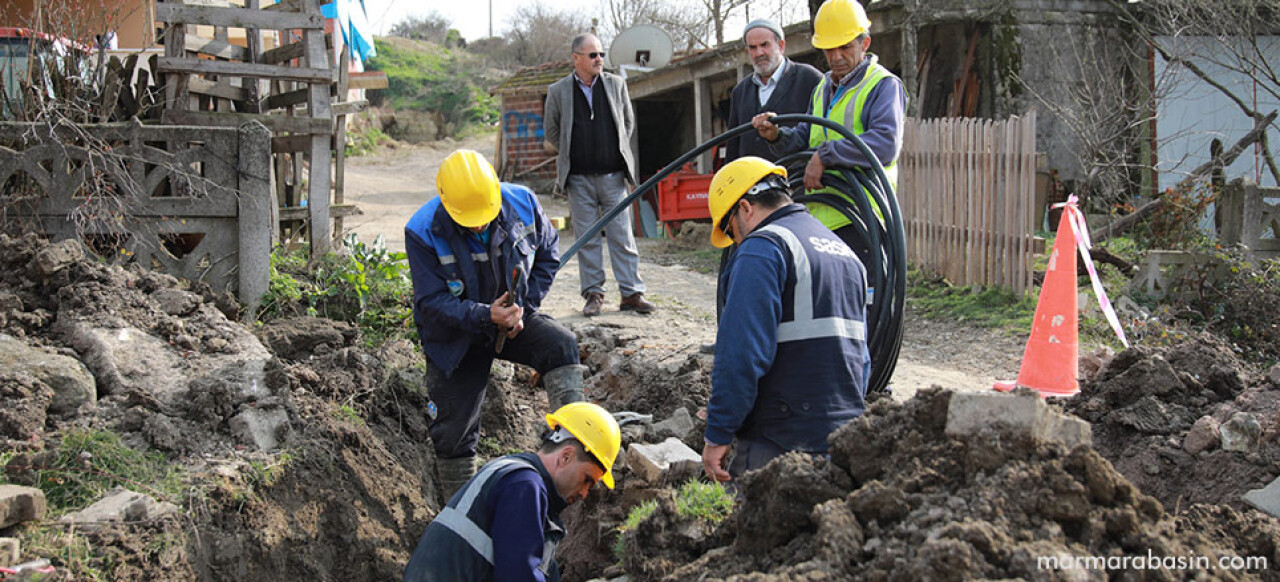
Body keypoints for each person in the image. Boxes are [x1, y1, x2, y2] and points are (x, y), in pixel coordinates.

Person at [405, 149, 587, 497]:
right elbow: (430, 302)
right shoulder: (422, 230)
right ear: (447, 203)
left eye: (484, 216)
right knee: (454, 431)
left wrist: (522, 306)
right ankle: (457, 510)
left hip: (511, 318)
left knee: (561, 344)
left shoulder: (523, 203)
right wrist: (485, 314)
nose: (478, 225)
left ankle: (574, 457)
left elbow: (548, 253)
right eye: (469, 219)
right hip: (457, 335)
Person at [700, 157, 870, 483]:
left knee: (747, 525)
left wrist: (718, 433)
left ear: (746, 208)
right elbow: (861, 358)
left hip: (779, 439)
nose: (735, 242)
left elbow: (741, 355)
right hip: (844, 438)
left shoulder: (762, 249)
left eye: (730, 230)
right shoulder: (845, 253)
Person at [750, 0, 907, 263]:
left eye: (844, 47)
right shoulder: (823, 87)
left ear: (864, 43)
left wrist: (826, 156)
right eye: (829, 49)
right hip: (819, 216)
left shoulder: (882, 86)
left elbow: (884, 144)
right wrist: (777, 135)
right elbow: (807, 136)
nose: (836, 57)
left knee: (865, 301)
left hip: (860, 216)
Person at [403, 402, 621, 582]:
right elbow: (518, 576)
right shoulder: (523, 485)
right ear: (566, 457)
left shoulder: (514, 472)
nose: (584, 493)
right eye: (587, 480)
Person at [544, 33, 656, 318]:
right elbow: (552, 133)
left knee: (622, 235)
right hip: (578, 179)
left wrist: (610, 151)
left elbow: (627, 123)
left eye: (601, 55)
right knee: (587, 238)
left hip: (612, 177)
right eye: (592, 55)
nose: (599, 60)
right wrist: (574, 152)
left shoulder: (617, 85)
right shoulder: (558, 91)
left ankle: (631, 293)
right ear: (576, 58)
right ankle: (594, 294)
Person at [724, 19, 823, 163]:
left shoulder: (809, 79)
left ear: (781, 45)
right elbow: (733, 146)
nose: (759, 53)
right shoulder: (740, 92)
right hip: (754, 182)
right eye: (753, 48)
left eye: (765, 45)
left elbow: (823, 134)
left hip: (797, 180)